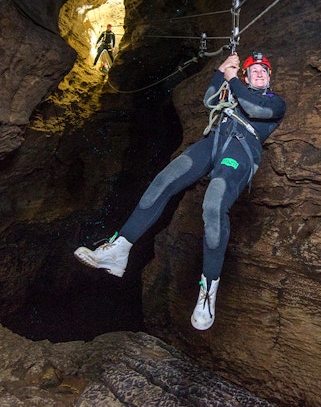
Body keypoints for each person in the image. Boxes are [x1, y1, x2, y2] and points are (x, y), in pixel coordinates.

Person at [74, 50, 286, 330]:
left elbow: (254, 110)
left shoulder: (275, 103)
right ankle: (119, 249)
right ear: (247, 76)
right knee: (164, 179)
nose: (259, 73)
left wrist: (233, 79)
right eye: (253, 70)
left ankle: (208, 291)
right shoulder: (233, 91)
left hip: (240, 151)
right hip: (213, 142)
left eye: (263, 71)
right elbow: (210, 100)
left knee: (213, 203)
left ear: (269, 77)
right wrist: (220, 71)